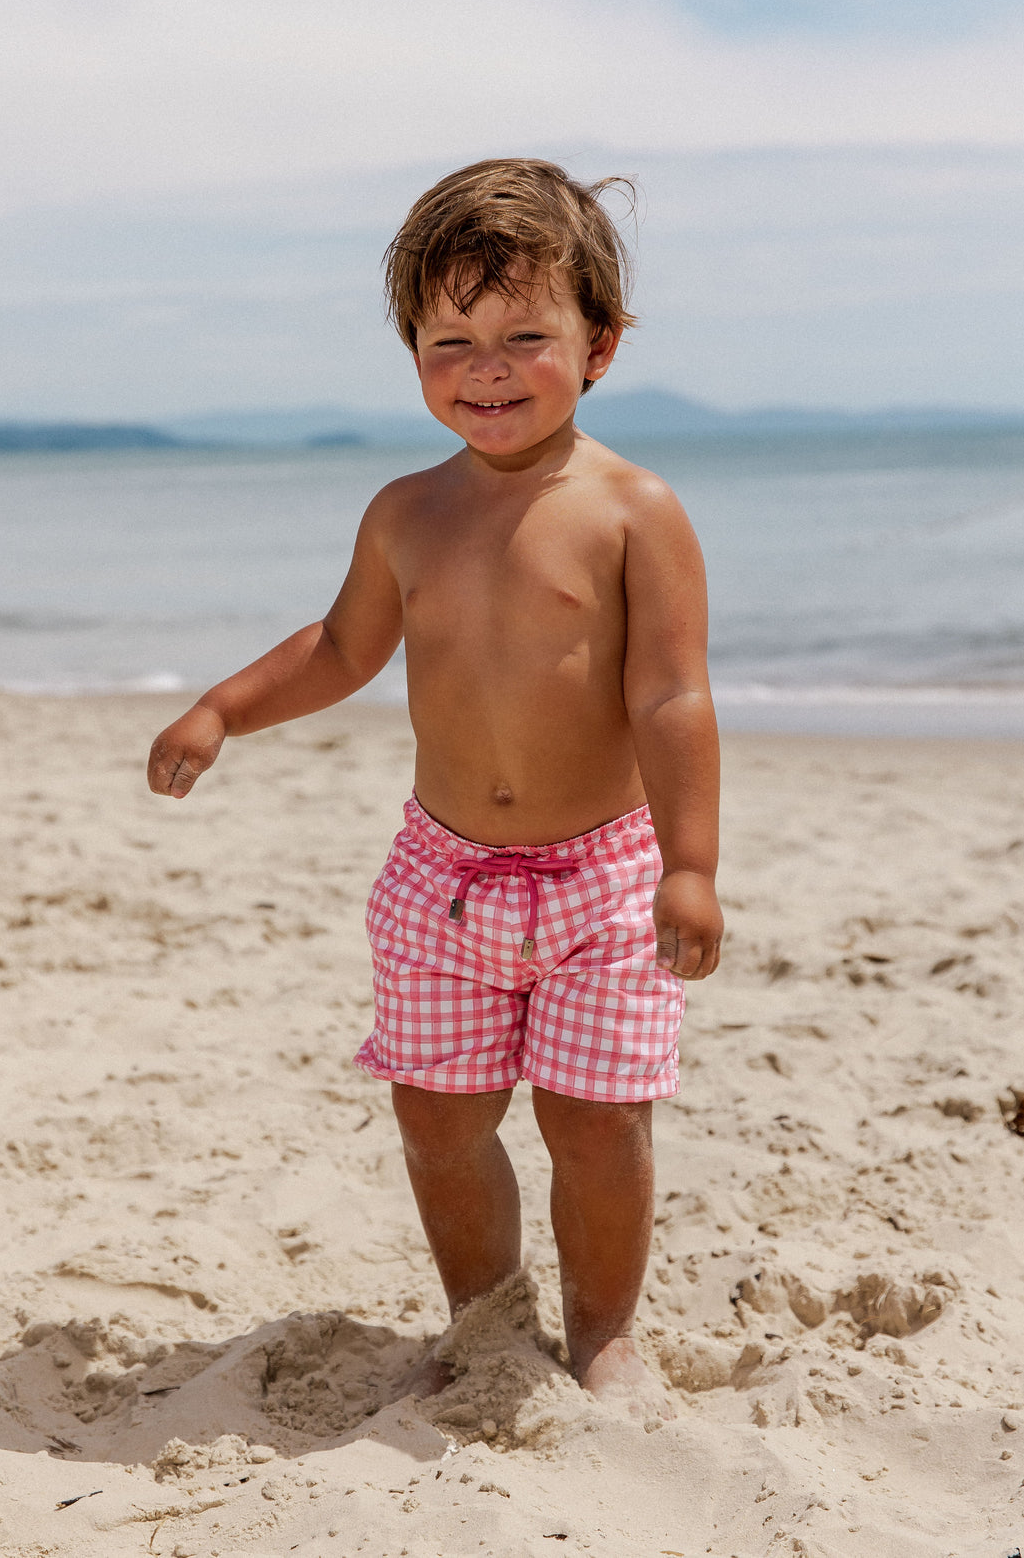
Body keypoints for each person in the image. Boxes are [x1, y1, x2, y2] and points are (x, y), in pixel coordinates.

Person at [147, 158, 723, 1420]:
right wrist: (225, 708)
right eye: (451, 339)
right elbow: (343, 649)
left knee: (595, 1123)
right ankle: (483, 1321)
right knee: (441, 1120)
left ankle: (607, 1339)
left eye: (527, 335)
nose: (489, 367)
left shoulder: (636, 512)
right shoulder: (407, 513)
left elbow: (671, 697)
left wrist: (691, 865)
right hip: (443, 881)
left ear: (602, 344)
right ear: (414, 350)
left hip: (605, 879)